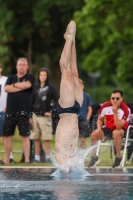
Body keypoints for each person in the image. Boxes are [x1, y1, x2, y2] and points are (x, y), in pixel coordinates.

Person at [55, 21, 83, 172]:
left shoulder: (60, 151)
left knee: (66, 72)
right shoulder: (71, 154)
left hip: (66, 110)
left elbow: (58, 154)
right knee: (74, 73)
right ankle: (73, 41)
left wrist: (64, 169)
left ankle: (68, 40)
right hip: (76, 109)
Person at [0, 58, 35, 164]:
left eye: (24, 65)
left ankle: (27, 159)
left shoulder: (30, 77)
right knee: (7, 135)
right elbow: (6, 89)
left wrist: (14, 86)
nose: (22, 66)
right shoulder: (11, 77)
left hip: (24, 111)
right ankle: (7, 159)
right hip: (10, 111)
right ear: (16, 66)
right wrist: (21, 86)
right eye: (20, 65)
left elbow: (28, 85)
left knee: (25, 136)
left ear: (27, 66)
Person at [88, 89, 130, 168]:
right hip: (108, 128)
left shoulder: (125, 109)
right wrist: (99, 128)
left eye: (117, 98)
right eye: (113, 98)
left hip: (121, 130)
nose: (114, 100)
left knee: (116, 132)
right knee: (94, 134)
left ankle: (118, 157)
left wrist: (115, 113)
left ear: (121, 99)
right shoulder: (105, 106)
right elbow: (100, 119)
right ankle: (94, 157)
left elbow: (118, 126)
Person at [30, 67, 59, 163]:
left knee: (46, 138)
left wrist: (52, 111)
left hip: (45, 116)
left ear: (47, 76)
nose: (42, 77)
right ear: (38, 76)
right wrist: (30, 116)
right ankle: (37, 158)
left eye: (44, 75)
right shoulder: (35, 88)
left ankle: (47, 157)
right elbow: (31, 101)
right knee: (36, 137)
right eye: (41, 75)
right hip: (35, 115)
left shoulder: (50, 88)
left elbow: (57, 100)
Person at [0, 65, 14, 163]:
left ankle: (10, 156)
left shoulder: (6, 80)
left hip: (4, 110)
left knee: (6, 135)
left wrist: (8, 106)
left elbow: (12, 93)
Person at [78, 79, 93, 148]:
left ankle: (83, 152)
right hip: (73, 120)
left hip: (83, 119)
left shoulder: (87, 96)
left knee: (82, 138)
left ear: (83, 86)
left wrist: (87, 118)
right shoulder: (72, 97)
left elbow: (90, 109)